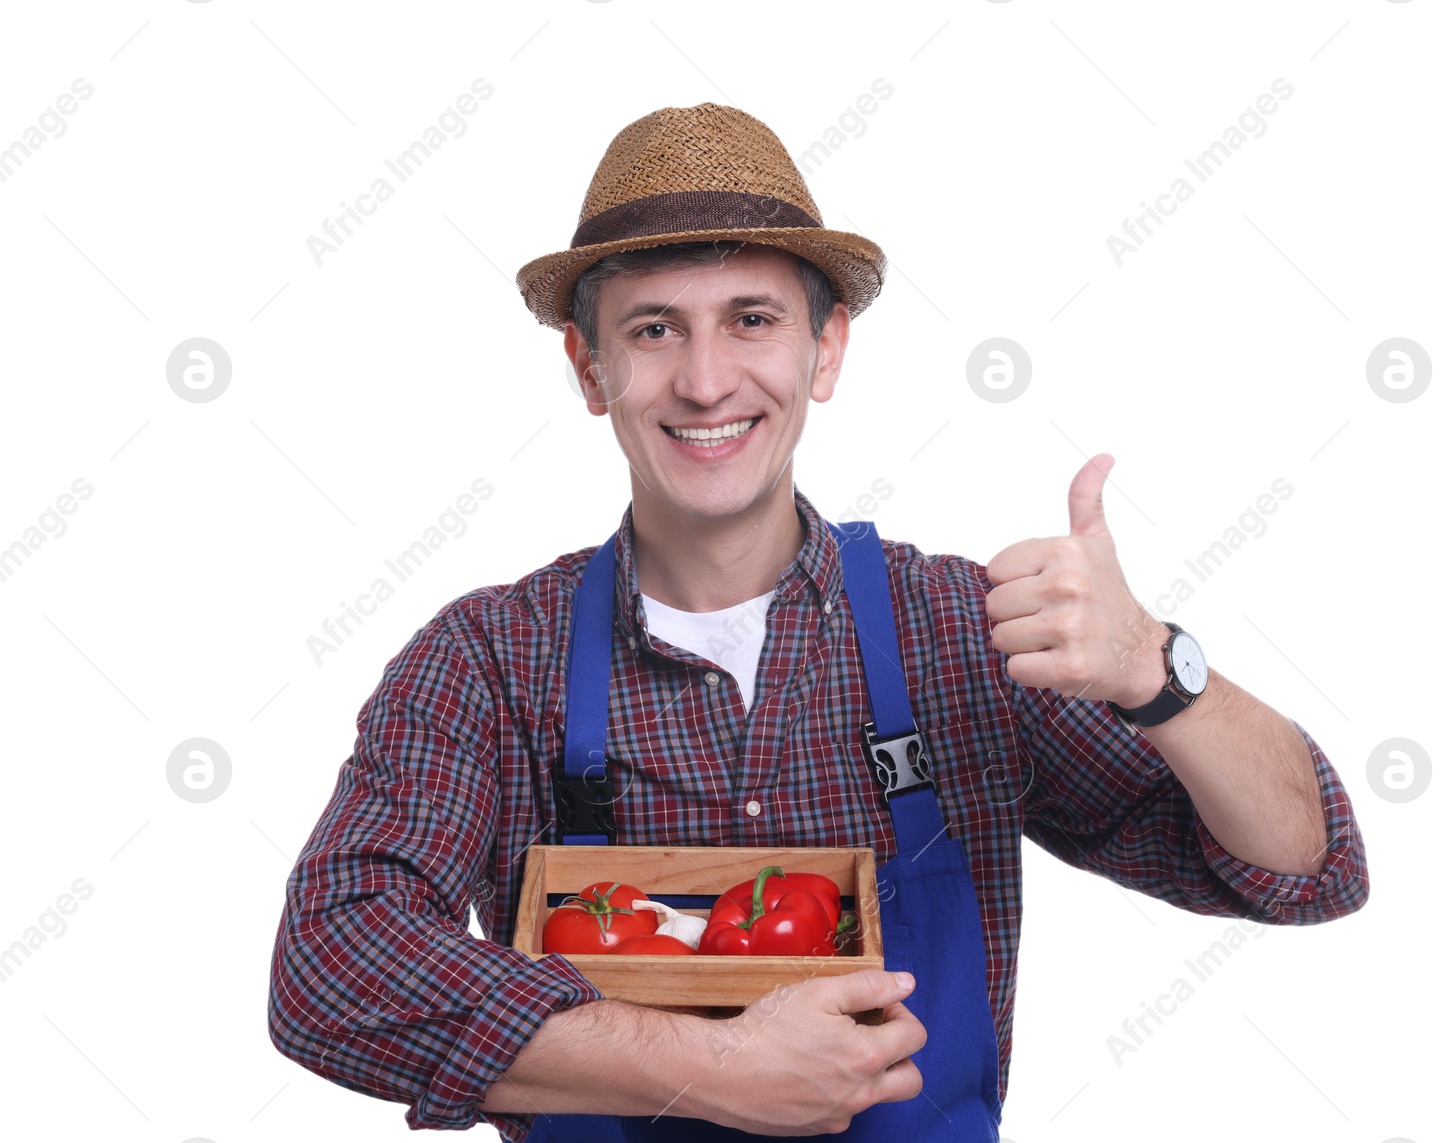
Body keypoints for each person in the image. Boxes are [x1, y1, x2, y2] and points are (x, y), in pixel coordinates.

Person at [267, 102, 1369, 1141]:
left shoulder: (956, 634)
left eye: (752, 320)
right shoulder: (490, 663)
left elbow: (1306, 870)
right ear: (588, 366)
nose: (705, 382)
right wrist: (714, 1068)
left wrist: (1154, 673)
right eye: (654, 330)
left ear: (825, 350)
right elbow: (331, 967)